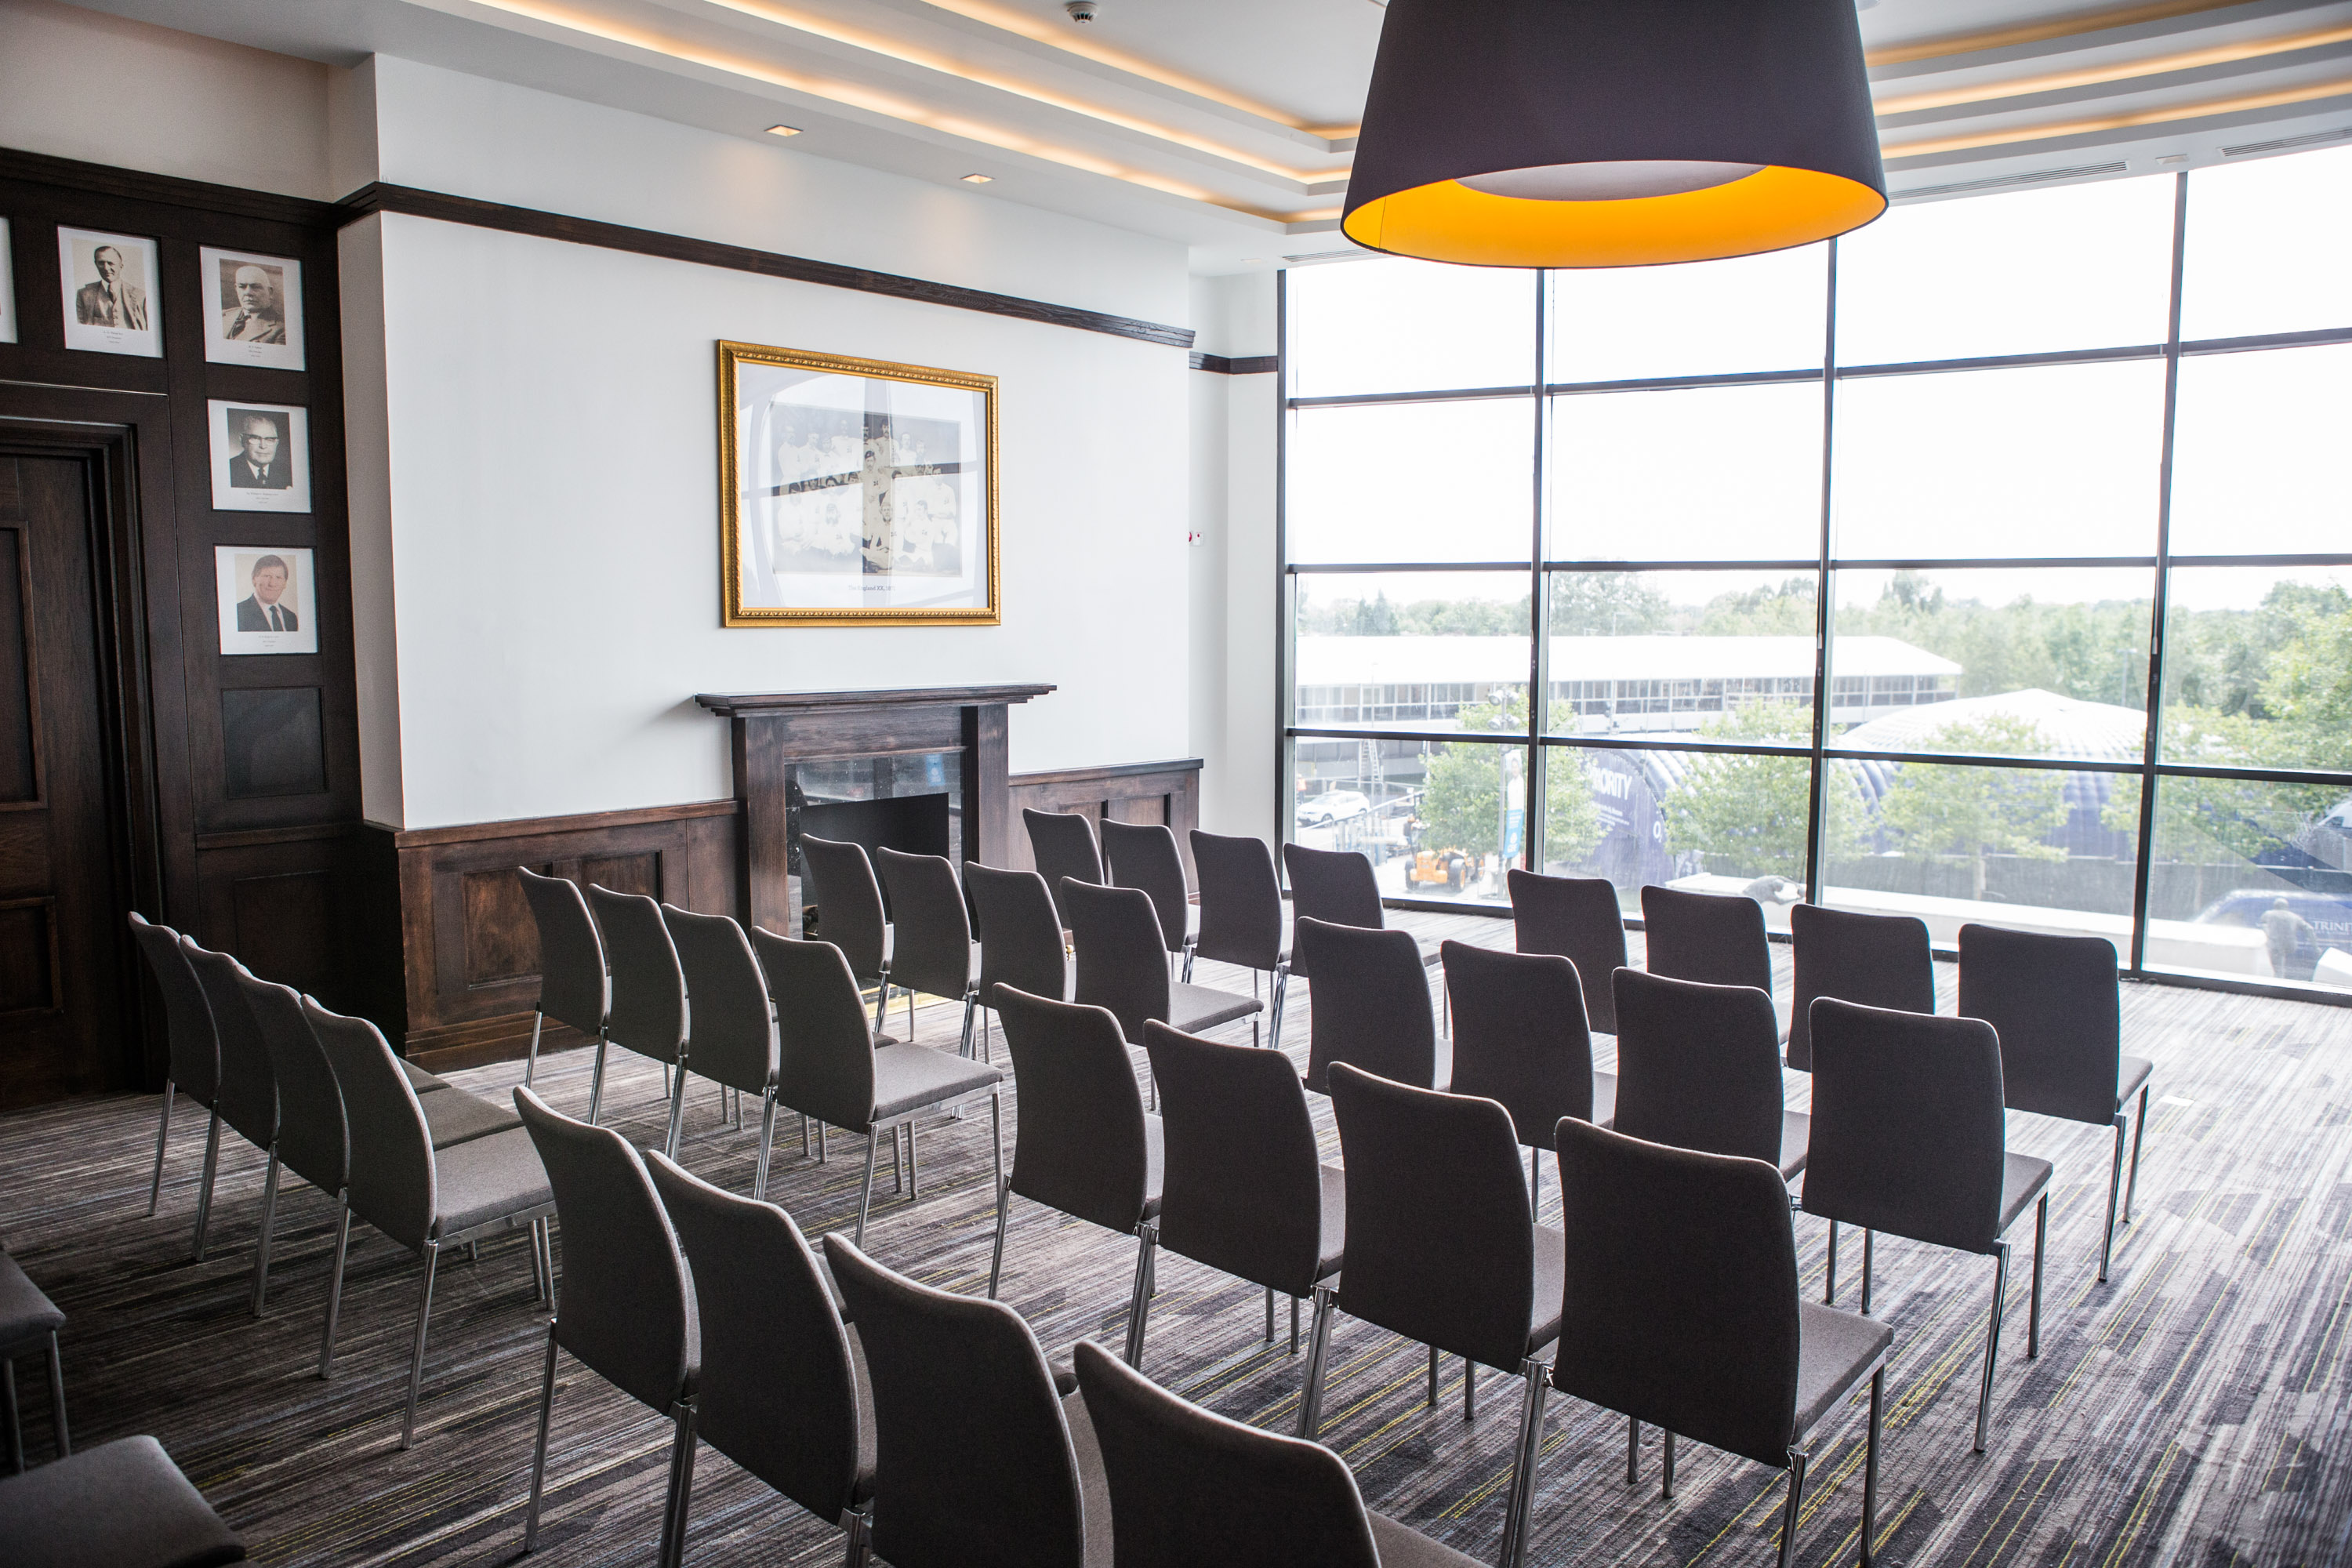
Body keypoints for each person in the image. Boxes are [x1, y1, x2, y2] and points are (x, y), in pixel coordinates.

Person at [74, 243, 150, 329]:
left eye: (111, 263)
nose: (106, 268)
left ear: (121, 265)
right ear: (96, 264)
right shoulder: (84, 294)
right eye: (101, 263)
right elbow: (80, 328)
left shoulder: (141, 296)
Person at [219, 264, 286, 343]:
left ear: (270, 292)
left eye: (256, 287)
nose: (248, 292)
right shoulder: (222, 315)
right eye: (242, 287)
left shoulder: (282, 329)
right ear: (236, 289)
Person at [226, 413, 292, 490]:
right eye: (256, 438)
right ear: (242, 440)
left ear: (277, 443)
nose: (263, 446)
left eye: (270, 439)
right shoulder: (228, 470)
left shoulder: (287, 474)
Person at [235, 554, 299, 633]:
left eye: (278, 577)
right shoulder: (238, 613)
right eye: (267, 576)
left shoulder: (291, 617)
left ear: (285, 583)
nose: (272, 584)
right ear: (254, 579)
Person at [2259, 897, 2314, 980]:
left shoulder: (2269, 914)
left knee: (2278, 970)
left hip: (2276, 945)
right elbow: (2309, 929)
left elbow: (2263, 924)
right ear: (2286, 907)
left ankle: (2278, 986)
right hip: (2291, 946)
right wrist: (2315, 946)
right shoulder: (2294, 917)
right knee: (2284, 966)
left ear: (2275, 906)